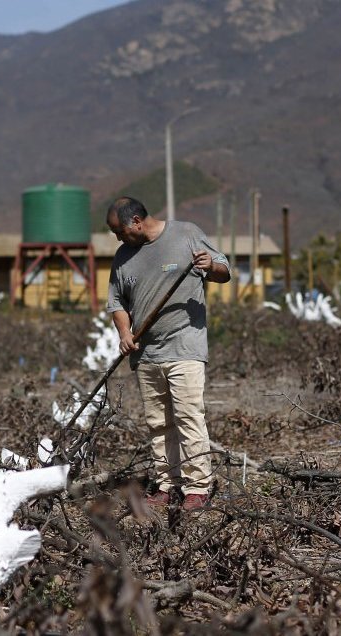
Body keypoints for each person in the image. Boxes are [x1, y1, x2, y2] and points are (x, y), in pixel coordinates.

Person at [105, 196, 231, 511]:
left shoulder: (186, 234)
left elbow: (224, 270)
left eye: (119, 231)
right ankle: (167, 484)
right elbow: (116, 302)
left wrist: (210, 266)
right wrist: (124, 332)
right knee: (158, 422)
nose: (118, 238)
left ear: (136, 220)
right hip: (146, 353)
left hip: (185, 346)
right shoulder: (123, 257)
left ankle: (197, 488)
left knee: (188, 416)